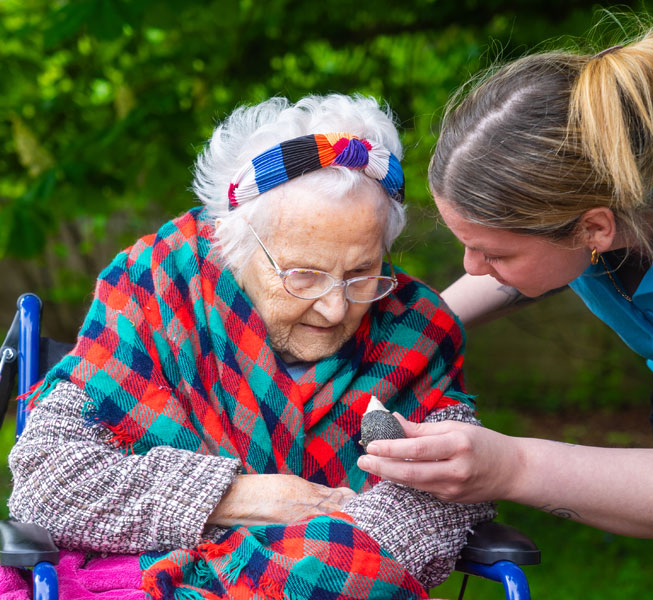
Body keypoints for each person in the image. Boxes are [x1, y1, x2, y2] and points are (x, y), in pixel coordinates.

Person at [5, 94, 495, 599]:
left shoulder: (416, 328)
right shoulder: (158, 287)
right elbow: (49, 484)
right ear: (234, 246)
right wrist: (243, 498)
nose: (333, 309)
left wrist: (283, 570)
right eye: (303, 275)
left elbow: (442, 497)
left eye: (361, 274)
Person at [357, 23, 653, 600]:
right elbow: (536, 265)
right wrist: (418, 331)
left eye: (495, 252)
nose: (472, 268)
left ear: (596, 227)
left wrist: (511, 467)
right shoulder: (592, 168)